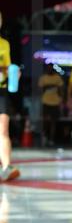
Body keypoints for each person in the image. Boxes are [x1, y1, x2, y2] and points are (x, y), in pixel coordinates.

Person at [0, 12, 20, 182]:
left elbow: (7, 66)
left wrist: (13, 73)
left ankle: (6, 167)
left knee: (3, 128)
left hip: (2, 89)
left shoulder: (4, 44)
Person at [39, 63, 64, 146]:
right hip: (45, 102)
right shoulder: (43, 78)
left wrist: (61, 99)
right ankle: (44, 136)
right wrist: (48, 86)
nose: (49, 69)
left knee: (53, 122)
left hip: (55, 102)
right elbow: (40, 90)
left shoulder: (57, 78)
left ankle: (51, 139)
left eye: (51, 68)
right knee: (45, 120)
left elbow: (61, 89)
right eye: (48, 68)